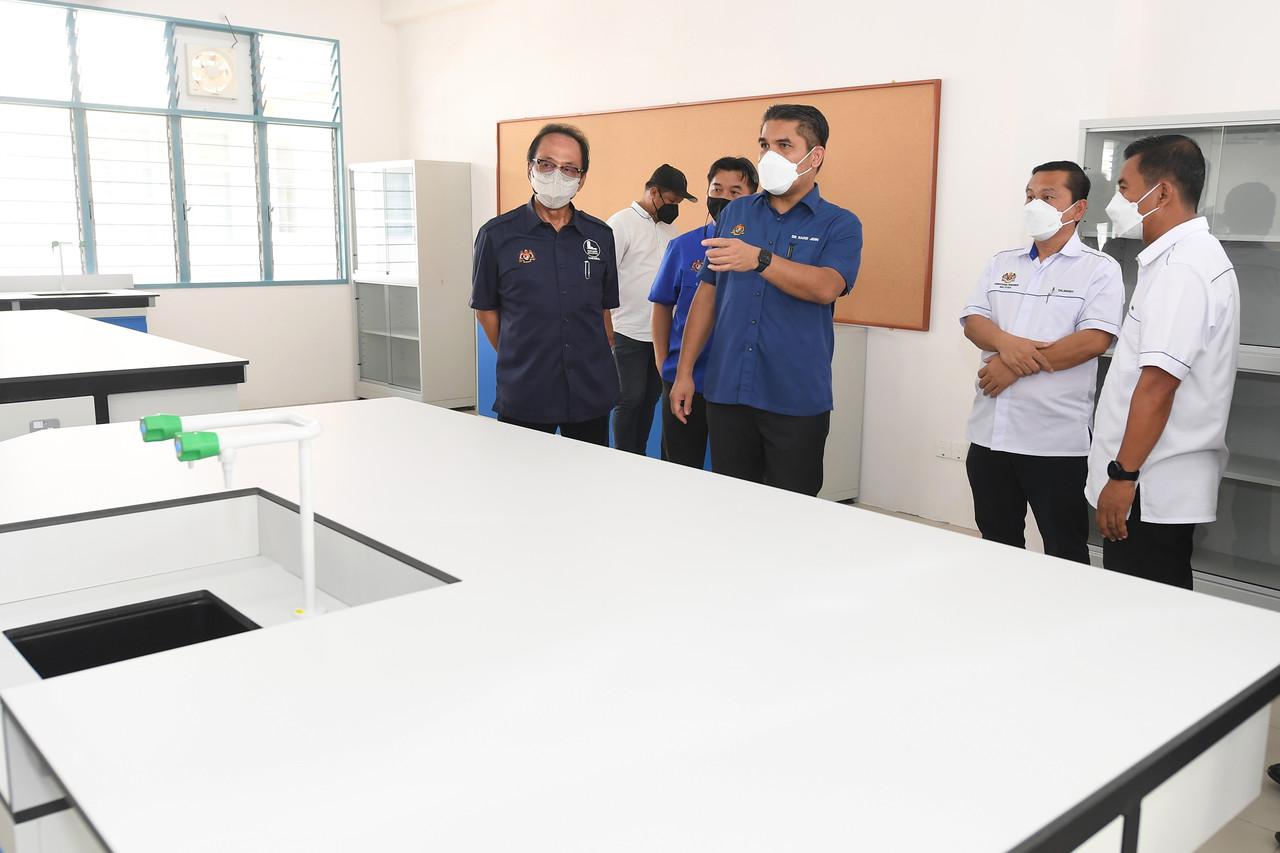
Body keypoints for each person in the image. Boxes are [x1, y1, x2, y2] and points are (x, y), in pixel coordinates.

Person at [671, 104, 862, 496]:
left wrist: (760, 259)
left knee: (791, 513)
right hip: (727, 392)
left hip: (794, 398)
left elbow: (827, 286)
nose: (769, 155)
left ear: (815, 156)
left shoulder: (840, 223)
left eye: (784, 145)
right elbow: (707, 294)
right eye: (764, 145)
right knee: (732, 505)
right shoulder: (736, 213)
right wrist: (684, 371)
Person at [1087, 135, 1241, 588]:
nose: (1116, 201)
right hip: (1153, 482)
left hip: (1148, 486)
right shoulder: (1181, 258)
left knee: (1143, 600)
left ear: (1163, 193)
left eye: (1124, 187)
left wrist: (1122, 476)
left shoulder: (1183, 269)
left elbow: (1157, 386)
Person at [960, 161, 1124, 563]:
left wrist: (1009, 365)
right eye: (1030, 196)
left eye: (1048, 197)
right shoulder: (1003, 262)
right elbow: (974, 322)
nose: (1035, 204)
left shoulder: (1099, 269)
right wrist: (1007, 346)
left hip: (1054, 442)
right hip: (990, 434)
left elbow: (1093, 340)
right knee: (997, 542)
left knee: (1064, 549)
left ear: (1078, 208)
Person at [469, 123, 620, 446]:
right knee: (523, 475)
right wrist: (520, 352)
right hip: (527, 391)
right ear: (530, 168)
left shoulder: (600, 236)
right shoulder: (497, 236)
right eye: (547, 164)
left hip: (590, 392)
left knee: (589, 474)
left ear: (581, 178)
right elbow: (485, 311)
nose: (557, 176)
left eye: (569, 169)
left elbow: (604, 312)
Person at [649, 156, 759, 467]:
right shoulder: (683, 246)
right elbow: (662, 305)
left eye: (735, 192)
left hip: (737, 383)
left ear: (753, 197)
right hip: (685, 379)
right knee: (680, 467)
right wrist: (663, 363)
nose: (724, 198)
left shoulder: (760, 253)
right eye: (717, 189)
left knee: (736, 472)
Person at [606, 164, 695, 454]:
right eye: (671, 201)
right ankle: (623, 456)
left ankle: (639, 456)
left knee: (649, 399)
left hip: (661, 335)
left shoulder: (672, 232)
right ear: (654, 192)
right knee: (629, 398)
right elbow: (603, 278)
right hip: (626, 329)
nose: (674, 208)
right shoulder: (621, 224)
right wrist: (606, 328)